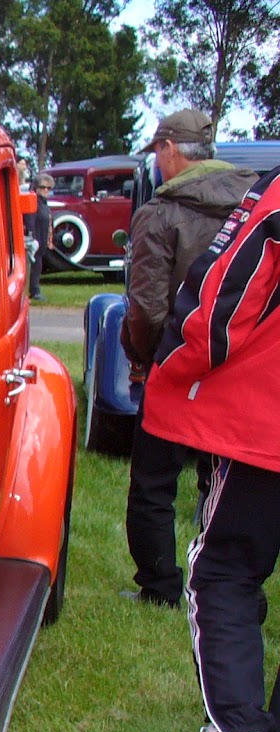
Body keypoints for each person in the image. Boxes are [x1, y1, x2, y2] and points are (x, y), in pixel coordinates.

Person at [142, 164, 280, 732]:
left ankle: (235, 724)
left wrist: (173, 364)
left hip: (268, 422)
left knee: (224, 563)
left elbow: (228, 298)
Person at [119, 109, 255, 608]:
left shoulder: (159, 213)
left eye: (156, 151)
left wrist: (144, 356)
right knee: (222, 480)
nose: (156, 161)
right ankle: (222, 584)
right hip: (239, 364)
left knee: (154, 482)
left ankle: (160, 588)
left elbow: (148, 307)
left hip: (175, 363)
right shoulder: (252, 203)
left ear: (170, 150)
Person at [25, 172, 54, 301]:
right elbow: (30, 221)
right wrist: (32, 239)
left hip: (42, 241)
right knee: (34, 266)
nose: (46, 190)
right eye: (42, 187)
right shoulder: (34, 202)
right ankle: (34, 290)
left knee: (38, 266)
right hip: (35, 241)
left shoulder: (44, 204)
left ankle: (35, 289)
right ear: (36, 187)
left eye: (48, 188)